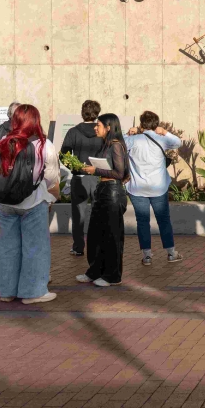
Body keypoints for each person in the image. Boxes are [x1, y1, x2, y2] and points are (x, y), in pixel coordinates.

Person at [0, 104, 60, 304]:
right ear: (36, 121)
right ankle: (33, 292)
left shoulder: (4, 141)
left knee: (8, 248)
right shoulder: (44, 145)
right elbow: (51, 178)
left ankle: (7, 291)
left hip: (3, 203)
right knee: (35, 247)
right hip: (33, 202)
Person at [75, 114, 129, 287]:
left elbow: (120, 173)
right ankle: (95, 271)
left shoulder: (116, 146)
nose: (95, 128)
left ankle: (112, 276)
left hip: (112, 193)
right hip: (103, 191)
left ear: (108, 127)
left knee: (111, 236)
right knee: (96, 234)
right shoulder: (105, 145)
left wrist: (96, 170)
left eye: (98, 125)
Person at [125, 111, 183, 265]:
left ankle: (147, 256)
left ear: (141, 123)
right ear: (156, 124)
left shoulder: (133, 140)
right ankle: (171, 253)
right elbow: (178, 143)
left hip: (137, 188)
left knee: (142, 221)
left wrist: (129, 132)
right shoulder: (161, 138)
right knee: (163, 220)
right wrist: (164, 132)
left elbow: (117, 144)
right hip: (159, 188)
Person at [60, 100, 104, 258]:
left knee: (79, 215)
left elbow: (63, 154)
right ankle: (99, 246)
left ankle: (78, 247)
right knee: (99, 213)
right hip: (98, 177)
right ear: (97, 113)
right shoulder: (101, 131)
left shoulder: (73, 132)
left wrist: (74, 167)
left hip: (79, 178)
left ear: (82, 112)